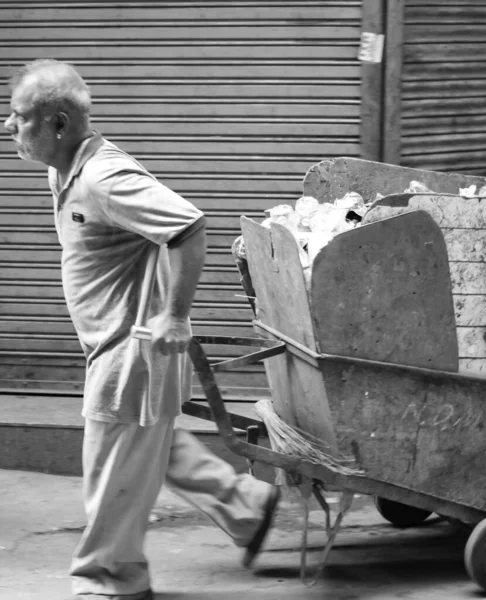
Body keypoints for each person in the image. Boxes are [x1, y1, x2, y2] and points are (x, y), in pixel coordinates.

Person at [4, 59, 280, 600]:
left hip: (131, 351)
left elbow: (187, 226)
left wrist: (174, 316)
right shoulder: (65, 167)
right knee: (148, 448)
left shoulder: (104, 178)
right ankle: (245, 505)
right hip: (116, 345)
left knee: (110, 472)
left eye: (18, 117)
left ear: (58, 124)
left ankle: (112, 578)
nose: (7, 127)